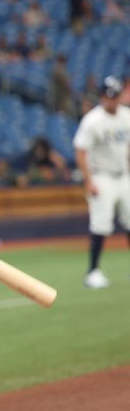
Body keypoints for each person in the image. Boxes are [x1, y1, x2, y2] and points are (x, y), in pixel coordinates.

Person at [73, 76, 130, 289]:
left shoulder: (126, 116)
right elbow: (80, 151)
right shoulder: (92, 120)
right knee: (101, 224)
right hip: (101, 175)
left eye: (115, 96)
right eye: (108, 96)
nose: (112, 100)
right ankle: (93, 271)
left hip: (123, 175)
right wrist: (89, 181)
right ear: (101, 97)